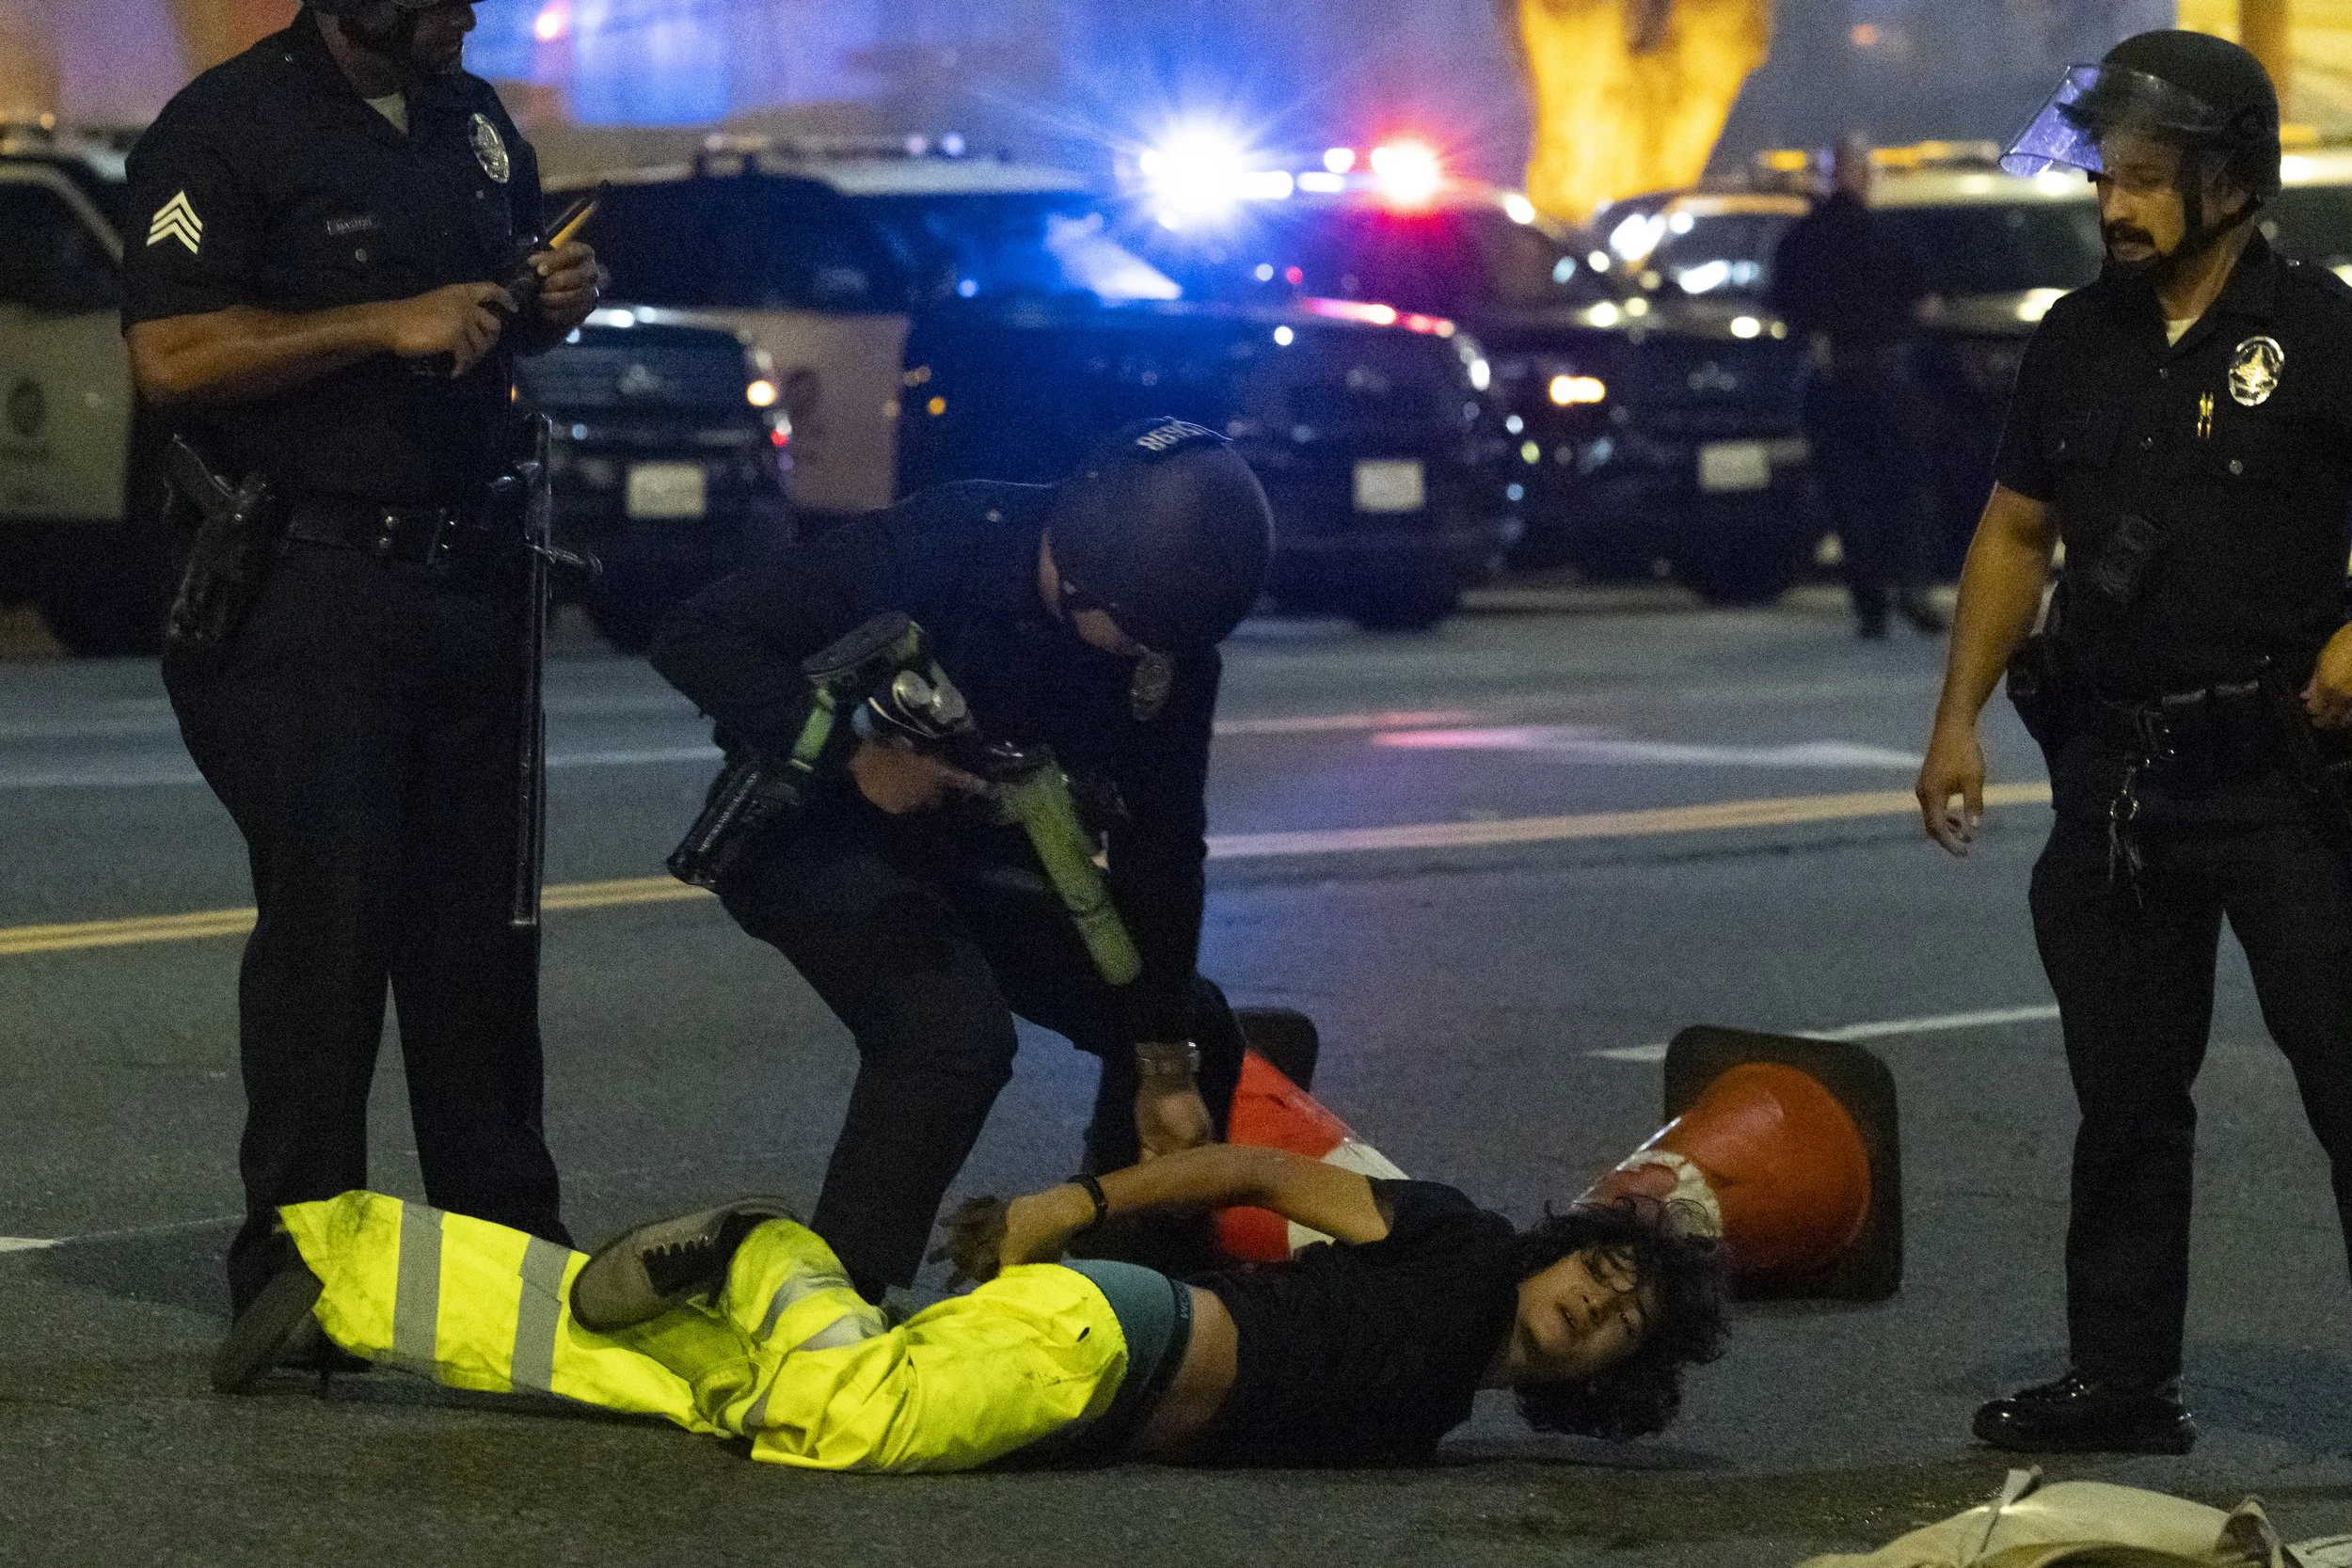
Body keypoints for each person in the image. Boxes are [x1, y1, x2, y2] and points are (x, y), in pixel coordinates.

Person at [120, 0, 603, 1333]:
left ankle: (507, 1259)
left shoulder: (471, 120)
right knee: (328, 937)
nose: (466, 18)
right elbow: (170, 355)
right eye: (439, 2)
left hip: (474, 580)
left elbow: (490, 309)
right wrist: (380, 321)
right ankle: (299, 1264)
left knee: (480, 942)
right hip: (312, 584)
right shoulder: (225, 129)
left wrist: (547, 301)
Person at [1916, 30, 2352, 1453]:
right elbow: (2015, 532)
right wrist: (1956, 718)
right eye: (2108, 175)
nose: (2116, 204)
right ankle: (2122, 1379)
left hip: (2284, 777)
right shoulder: (2077, 336)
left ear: (2232, 180)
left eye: (2149, 178)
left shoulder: (2325, 329)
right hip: (2116, 775)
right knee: (2123, 1096)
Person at [647, 419, 1272, 1304]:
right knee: (950, 1036)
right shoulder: (941, 545)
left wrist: (1164, 1061)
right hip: (813, 831)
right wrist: (855, 759)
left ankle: (1138, 1293)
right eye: (1136, 635)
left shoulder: (1163, 633)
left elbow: (1163, 848)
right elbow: (698, 634)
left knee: (1191, 1022)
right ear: (1078, 576)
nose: (1151, 660)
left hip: (968, 841)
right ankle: (829, 1308)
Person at [212, 1144, 1729, 1468]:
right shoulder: (1454, 1237)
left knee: (732, 1391)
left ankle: (356, 1278)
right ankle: (763, 1249)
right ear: (1553, 1246)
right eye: (1598, 1269)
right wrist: (1072, 1202)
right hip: (1104, 1329)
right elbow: (1261, 1163)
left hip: (1083, 1411)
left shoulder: (1444, 1413)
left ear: (1607, 1378)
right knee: (845, 1421)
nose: (1592, 1304)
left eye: (1621, 1323)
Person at [1767, 133, 1947, 640]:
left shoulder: (1801, 240)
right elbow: (1926, 306)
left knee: (1846, 494)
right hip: (1886, 378)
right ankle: (1910, 585)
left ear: (1828, 177)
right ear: (1865, 175)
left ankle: (1870, 604)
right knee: (1903, 485)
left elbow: (1780, 306)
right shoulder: (1887, 235)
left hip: (1828, 379)